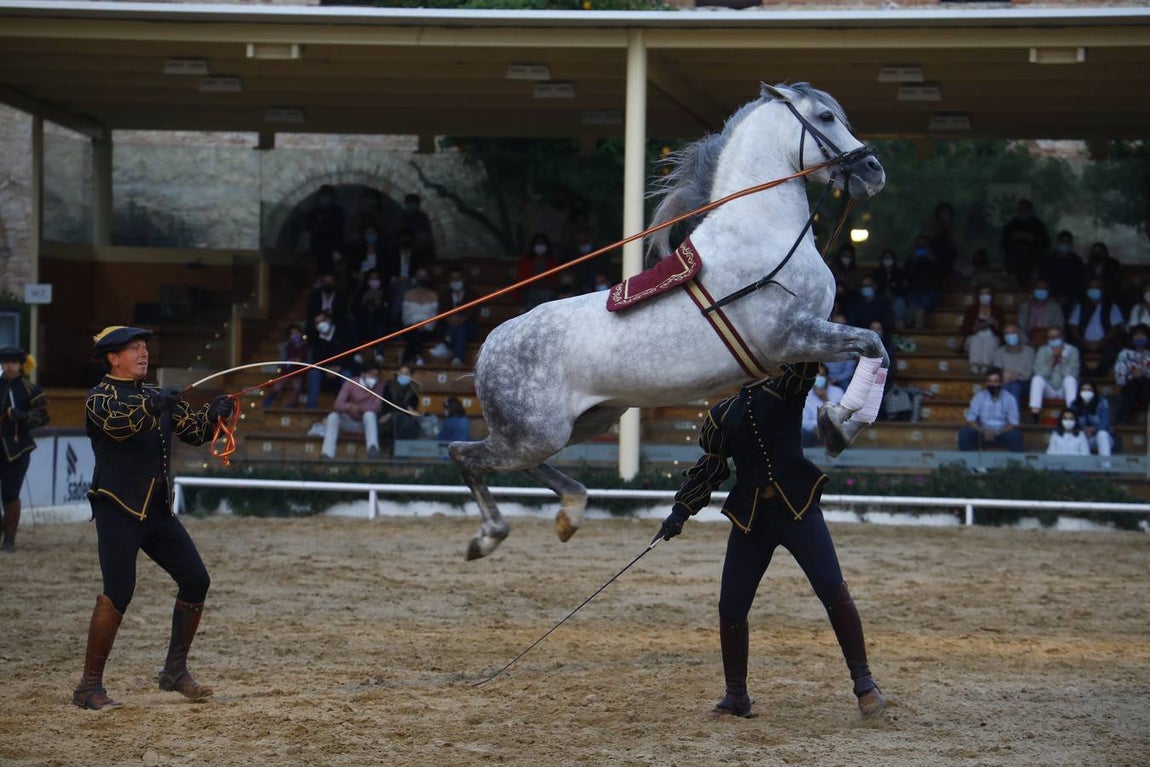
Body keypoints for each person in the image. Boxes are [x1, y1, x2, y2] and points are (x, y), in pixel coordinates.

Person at [656, 363, 884, 719]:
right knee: (731, 607)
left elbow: (805, 361)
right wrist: (680, 511)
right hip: (752, 518)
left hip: (798, 510)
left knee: (832, 589)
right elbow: (710, 469)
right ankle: (736, 696)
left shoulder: (787, 388)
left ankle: (864, 683)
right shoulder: (721, 415)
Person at [72, 326, 231, 710]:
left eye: (144, 347)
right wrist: (155, 406)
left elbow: (193, 432)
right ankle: (88, 687)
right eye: (134, 348)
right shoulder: (99, 397)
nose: (143, 353)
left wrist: (213, 415)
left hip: (157, 510)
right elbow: (119, 425)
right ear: (113, 358)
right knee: (119, 591)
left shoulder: (155, 396)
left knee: (196, 579)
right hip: (118, 508)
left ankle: (174, 671)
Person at [0, 346, 49, 552]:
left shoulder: (31, 389)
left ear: (21, 365)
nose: (9, 365)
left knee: (10, 493)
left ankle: (9, 539)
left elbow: (43, 417)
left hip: (18, 449)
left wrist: (23, 416)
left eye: (13, 362)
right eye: (6, 361)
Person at [320, 364, 385, 460]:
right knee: (333, 416)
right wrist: (349, 406)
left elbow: (377, 407)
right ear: (363, 374)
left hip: (365, 424)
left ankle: (372, 450)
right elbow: (337, 404)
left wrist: (359, 408)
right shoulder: (351, 383)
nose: (373, 377)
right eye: (371, 374)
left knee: (370, 414)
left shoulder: (380, 385)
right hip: (349, 420)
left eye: (375, 375)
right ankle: (327, 454)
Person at [1065, 277, 1125, 377]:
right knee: (1073, 350)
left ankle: (1098, 375)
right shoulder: (1080, 306)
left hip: (1105, 342)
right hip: (1083, 342)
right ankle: (1085, 375)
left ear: (1103, 289)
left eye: (1097, 287)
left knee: (1112, 351)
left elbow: (1115, 328)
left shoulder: (1111, 306)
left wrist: (1101, 342)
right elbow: (1073, 326)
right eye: (1091, 287)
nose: (1094, 290)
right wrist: (1084, 341)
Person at [957, 368, 1023, 452]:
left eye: (995, 381)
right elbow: (970, 419)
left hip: (1002, 432)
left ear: (1001, 383)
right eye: (990, 381)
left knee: (1016, 436)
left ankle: (1014, 461)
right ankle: (969, 460)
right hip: (982, 432)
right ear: (986, 383)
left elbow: (1014, 423)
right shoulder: (979, 397)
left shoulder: (1009, 398)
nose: (992, 384)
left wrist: (998, 432)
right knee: (964, 433)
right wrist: (983, 431)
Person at [1028, 327, 1080, 424]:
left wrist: (1062, 361)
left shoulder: (1072, 350)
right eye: (1051, 337)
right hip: (1049, 389)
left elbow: (1074, 374)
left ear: (1062, 337)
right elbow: (1038, 372)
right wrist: (1051, 362)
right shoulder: (1042, 350)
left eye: (1056, 337)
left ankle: (1072, 412)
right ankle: (1035, 414)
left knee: (1070, 380)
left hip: (1064, 390)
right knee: (1037, 379)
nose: (1053, 339)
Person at [305, 310, 353, 410]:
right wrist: (326, 369)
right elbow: (316, 359)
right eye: (317, 323)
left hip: (342, 368)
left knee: (347, 375)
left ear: (329, 320)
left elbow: (349, 355)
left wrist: (338, 368)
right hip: (325, 369)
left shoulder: (343, 333)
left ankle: (347, 408)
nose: (320, 324)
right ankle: (311, 409)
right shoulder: (316, 339)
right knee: (313, 374)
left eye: (322, 320)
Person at [1000, 199, 1049, 289]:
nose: (1024, 212)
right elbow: (1004, 244)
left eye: (1026, 209)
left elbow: (1045, 244)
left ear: (1031, 210)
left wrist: (1032, 239)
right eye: (1022, 210)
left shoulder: (1038, 226)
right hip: (1014, 265)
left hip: (1033, 265)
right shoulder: (1010, 226)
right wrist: (1015, 239)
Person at [960, 284, 1006, 375]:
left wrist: (995, 324)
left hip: (992, 337)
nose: (985, 295)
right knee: (975, 340)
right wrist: (975, 327)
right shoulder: (972, 309)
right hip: (974, 336)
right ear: (978, 295)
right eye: (982, 293)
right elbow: (964, 329)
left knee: (990, 340)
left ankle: (986, 365)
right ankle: (974, 365)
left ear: (992, 295)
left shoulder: (998, 309)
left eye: (987, 293)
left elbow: (1003, 329)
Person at [304, 184, 346, 279]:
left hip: (333, 249)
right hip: (316, 249)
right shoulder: (313, 212)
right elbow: (308, 229)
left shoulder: (337, 212)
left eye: (328, 196)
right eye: (323, 195)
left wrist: (336, 250)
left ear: (332, 197)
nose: (325, 198)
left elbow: (340, 231)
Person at [262, 323, 308, 409]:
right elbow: (282, 362)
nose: (295, 335)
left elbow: (307, 362)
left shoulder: (305, 347)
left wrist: (298, 361)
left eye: (297, 332)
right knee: (277, 386)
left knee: (297, 386)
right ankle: (268, 401)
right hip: (286, 372)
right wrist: (290, 362)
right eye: (293, 333)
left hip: (299, 373)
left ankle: (291, 406)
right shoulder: (285, 346)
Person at [438, 268, 478, 366]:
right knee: (459, 329)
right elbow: (442, 312)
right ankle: (457, 358)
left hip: (468, 327)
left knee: (461, 328)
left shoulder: (472, 294)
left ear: (463, 279)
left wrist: (461, 319)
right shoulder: (445, 295)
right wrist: (451, 319)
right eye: (453, 279)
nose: (455, 281)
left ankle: (446, 343)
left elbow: (472, 312)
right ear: (449, 280)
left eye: (458, 278)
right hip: (448, 326)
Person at [399, 268, 439, 365]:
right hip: (410, 327)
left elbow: (434, 317)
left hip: (427, 329)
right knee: (414, 334)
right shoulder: (408, 294)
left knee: (415, 336)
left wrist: (424, 325)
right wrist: (415, 324)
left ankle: (405, 361)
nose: (422, 279)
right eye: (420, 276)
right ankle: (417, 357)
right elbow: (405, 316)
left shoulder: (433, 295)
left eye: (424, 276)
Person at [991, 323, 1035, 408]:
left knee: (1014, 385)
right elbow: (997, 370)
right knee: (1009, 385)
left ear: (1019, 334)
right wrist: (1005, 376)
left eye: (1013, 333)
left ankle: (1007, 414)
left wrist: (1015, 375)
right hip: (1005, 382)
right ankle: (1012, 414)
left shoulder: (1029, 351)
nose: (1010, 336)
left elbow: (1027, 374)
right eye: (1007, 333)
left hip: (1024, 384)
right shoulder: (999, 351)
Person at [379, 366, 421, 454]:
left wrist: (409, 410)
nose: (403, 376)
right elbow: (386, 404)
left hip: (406, 418)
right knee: (396, 420)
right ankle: (398, 451)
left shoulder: (414, 388)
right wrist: (405, 408)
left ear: (411, 376)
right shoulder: (389, 385)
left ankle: (398, 451)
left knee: (402, 421)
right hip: (389, 416)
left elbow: (413, 407)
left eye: (406, 374)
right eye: (401, 373)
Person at [1114, 324, 1150, 425]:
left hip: (1148, 388)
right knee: (1133, 383)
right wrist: (1132, 376)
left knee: (1144, 382)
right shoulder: (1124, 354)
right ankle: (1123, 420)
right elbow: (1119, 379)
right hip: (1130, 388)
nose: (1139, 337)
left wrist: (1144, 373)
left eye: (1142, 335)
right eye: (1136, 335)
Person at [903, 235, 942, 329]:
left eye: (924, 245)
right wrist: (913, 260)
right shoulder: (911, 260)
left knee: (919, 307)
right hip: (914, 291)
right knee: (911, 306)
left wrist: (932, 259)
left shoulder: (935, 259)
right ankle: (908, 330)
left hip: (930, 292)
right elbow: (906, 275)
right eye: (919, 245)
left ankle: (918, 330)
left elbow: (939, 275)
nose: (921, 247)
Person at [1039, 230, 1084, 309]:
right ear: (1058, 242)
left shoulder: (1076, 261)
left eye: (1067, 242)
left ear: (1071, 244)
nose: (1064, 244)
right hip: (1050, 297)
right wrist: (1051, 296)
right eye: (1062, 241)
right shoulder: (1049, 260)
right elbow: (1044, 279)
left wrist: (1068, 297)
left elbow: (1079, 282)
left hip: (1071, 299)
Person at [801, 365, 844, 447]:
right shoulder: (806, 394)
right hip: (812, 432)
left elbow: (839, 417)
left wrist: (825, 399)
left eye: (821, 375)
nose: (818, 378)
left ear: (826, 377)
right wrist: (820, 427)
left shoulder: (838, 392)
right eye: (816, 375)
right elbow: (805, 422)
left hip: (834, 430)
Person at [1016, 279, 1065, 349]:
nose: (1041, 290)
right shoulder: (1025, 306)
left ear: (1048, 291)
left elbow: (1059, 326)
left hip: (1049, 341)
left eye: (1044, 288)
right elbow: (1020, 327)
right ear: (1034, 290)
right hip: (1029, 341)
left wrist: (1047, 340)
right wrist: (1028, 342)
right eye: (1039, 288)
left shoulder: (1055, 307)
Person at [1069, 381, 1114, 457]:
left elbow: (1104, 424)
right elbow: (1072, 423)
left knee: (1102, 434)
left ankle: (1106, 463)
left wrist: (1093, 429)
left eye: (1089, 390)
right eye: (1083, 390)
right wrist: (1083, 429)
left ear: (1094, 391)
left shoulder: (1102, 403)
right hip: (1083, 437)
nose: (1086, 392)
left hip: (1099, 438)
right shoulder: (1074, 404)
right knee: (1076, 436)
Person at [517, 232, 559, 310]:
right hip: (530, 290)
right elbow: (522, 278)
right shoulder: (526, 260)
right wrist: (533, 283)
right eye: (538, 243)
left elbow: (555, 278)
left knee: (547, 294)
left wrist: (546, 283)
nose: (540, 246)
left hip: (547, 290)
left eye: (542, 243)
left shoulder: (551, 261)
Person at [873, 248, 908, 330]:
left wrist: (894, 295)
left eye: (890, 258)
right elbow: (876, 288)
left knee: (900, 303)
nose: (888, 260)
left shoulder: (899, 272)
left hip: (896, 297)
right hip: (881, 297)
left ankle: (899, 328)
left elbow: (902, 288)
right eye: (886, 258)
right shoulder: (877, 272)